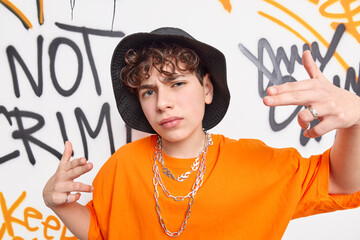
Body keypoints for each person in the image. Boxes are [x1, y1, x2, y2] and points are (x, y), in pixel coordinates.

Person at [43, 27, 360, 239]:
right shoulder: (123, 165)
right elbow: (103, 231)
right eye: (148, 92)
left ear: (207, 88)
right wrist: (58, 203)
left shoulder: (257, 163)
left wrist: (356, 121)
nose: (163, 103)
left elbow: (342, 182)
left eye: (177, 83)